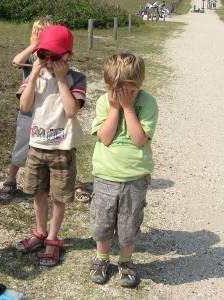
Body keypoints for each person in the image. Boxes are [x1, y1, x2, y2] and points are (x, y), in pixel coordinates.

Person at [15, 25, 87, 266]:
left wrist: (61, 79)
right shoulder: (35, 75)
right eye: (42, 55)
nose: (47, 61)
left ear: (67, 56)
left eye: (54, 57)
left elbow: (70, 110)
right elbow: (24, 107)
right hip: (37, 145)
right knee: (38, 192)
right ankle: (39, 231)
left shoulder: (76, 78)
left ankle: (54, 238)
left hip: (62, 148)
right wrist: (34, 74)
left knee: (58, 196)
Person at [88, 53, 158, 288]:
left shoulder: (147, 103)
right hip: (106, 175)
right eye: (115, 89)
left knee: (129, 224)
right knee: (102, 222)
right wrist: (115, 108)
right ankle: (101, 259)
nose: (121, 94)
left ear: (138, 85)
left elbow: (139, 140)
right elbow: (105, 138)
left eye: (129, 89)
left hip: (135, 177)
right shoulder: (103, 102)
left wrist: (128, 107)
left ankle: (126, 261)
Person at [0, 17, 53, 200]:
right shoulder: (32, 55)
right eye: (34, 32)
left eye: (41, 33)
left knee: (53, 146)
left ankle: (55, 181)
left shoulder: (52, 55)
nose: (37, 36)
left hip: (47, 110)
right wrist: (32, 46)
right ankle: (11, 179)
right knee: (22, 144)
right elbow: (16, 62)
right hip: (28, 110)